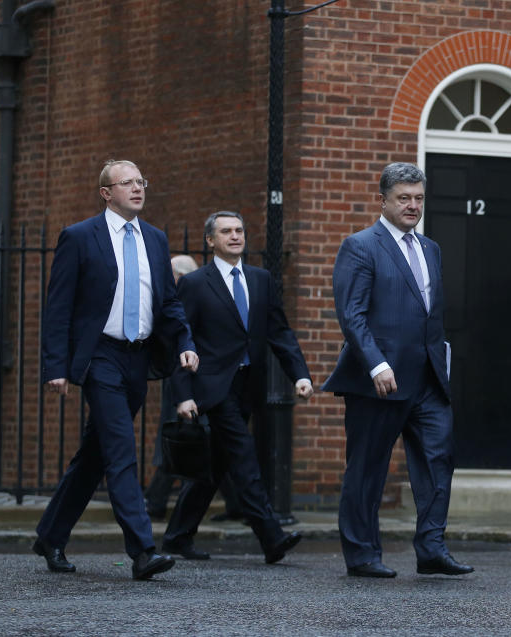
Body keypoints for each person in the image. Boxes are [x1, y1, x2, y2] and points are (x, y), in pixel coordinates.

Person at [35, 159, 199, 580]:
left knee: (96, 454)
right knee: (122, 449)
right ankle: (142, 551)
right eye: (126, 183)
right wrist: (56, 366)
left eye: (141, 181)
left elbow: (168, 302)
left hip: (138, 358)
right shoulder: (79, 237)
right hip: (101, 357)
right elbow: (58, 309)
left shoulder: (156, 239)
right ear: (106, 193)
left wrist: (184, 342)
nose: (137, 188)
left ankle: (51, 534)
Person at [323, 162, 473, 578]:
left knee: (439, 460)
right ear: (384, 200)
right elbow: (352, 314)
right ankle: (362, 554)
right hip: (380, 380)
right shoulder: (360, 246)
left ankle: (431, 548)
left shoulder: (431, 249)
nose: (412, 205)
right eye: (403, 198)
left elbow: (431, 315)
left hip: (427, 379)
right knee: (368, 469)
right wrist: (376, 363)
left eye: (418, 198)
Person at [160, 211, 312, 564]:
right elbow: (181, 341)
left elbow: (280, 332)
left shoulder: (260, 280)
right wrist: (182, 395)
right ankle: (271, 537)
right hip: (214, 388)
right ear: (210, 241)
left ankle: (177, 536)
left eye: (239, 231)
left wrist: (299, 375)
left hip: (248, 386)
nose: (234, 236)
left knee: (215, 464)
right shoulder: (196, 284)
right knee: (244, 459)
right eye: (225, 231)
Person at [144, 254, 199, 521]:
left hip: (184, 376)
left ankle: (155, 502)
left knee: (175, 439)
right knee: (179, 438)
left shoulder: (184, 298)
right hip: (179, 376)